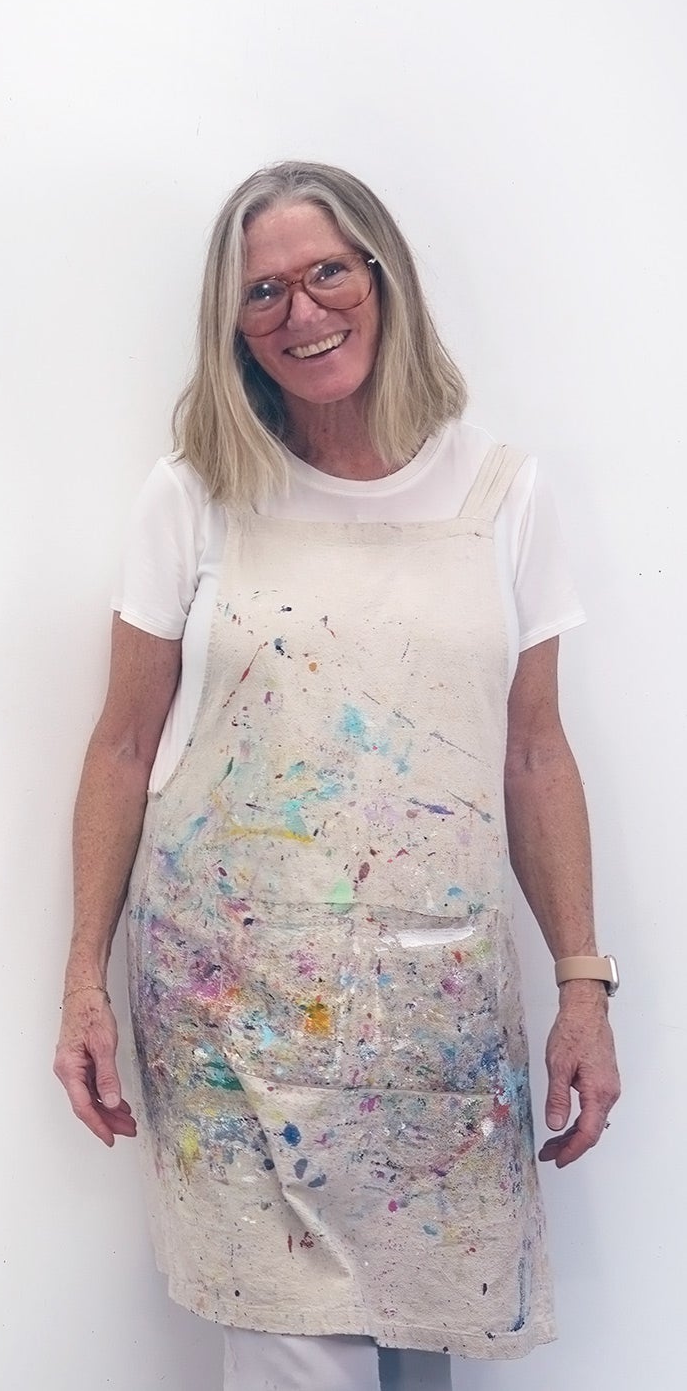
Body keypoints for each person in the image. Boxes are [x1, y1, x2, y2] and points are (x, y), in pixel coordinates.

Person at [53, 162, 621, 1391]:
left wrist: (585, 984)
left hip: (439, 1027)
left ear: (382, 277)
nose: (302, 313)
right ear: (232, 324)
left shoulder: (503, 493)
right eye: (263, 293)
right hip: (232, 1015)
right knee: (291, 1355)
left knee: (424, 1356)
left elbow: (534, 751)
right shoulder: (197, 493)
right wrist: (83, 982)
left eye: (327, 275)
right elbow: (123, 745)